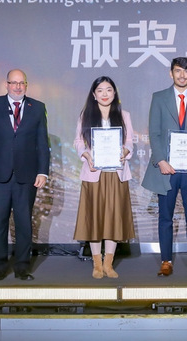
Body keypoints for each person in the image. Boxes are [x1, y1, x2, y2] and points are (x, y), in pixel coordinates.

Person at [0, 69, 50, 281]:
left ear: (26, 85)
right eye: (13, 83)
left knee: (24, 223)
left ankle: (22, 268)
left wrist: (43, 171)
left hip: (26, 176)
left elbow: (42, 143)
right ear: (6, 84)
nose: (17, 87)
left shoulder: (38, 107)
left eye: (21, 83)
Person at [142, 57, 187, 277]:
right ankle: (166, 260)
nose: (182, 75)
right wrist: (161, 160)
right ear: (170, 73)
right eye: (178, 71)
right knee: (165, 216)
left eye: (186, 71)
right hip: (167, 169)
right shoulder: (159, 98)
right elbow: (154, 133)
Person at [72, 76, 136, 279]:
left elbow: (130, 141)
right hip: (94, 174)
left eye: (108, 90)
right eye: (100, 90)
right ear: (94, 94)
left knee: (113, 219)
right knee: (95, 219)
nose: (105, 94)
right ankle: (97, 264)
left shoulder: (124, 115)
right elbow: (78, 141)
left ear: (114, 93)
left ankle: (109, 264)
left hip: (116, 174)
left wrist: (125, 151)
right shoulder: (86, 115)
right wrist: (86, 155)